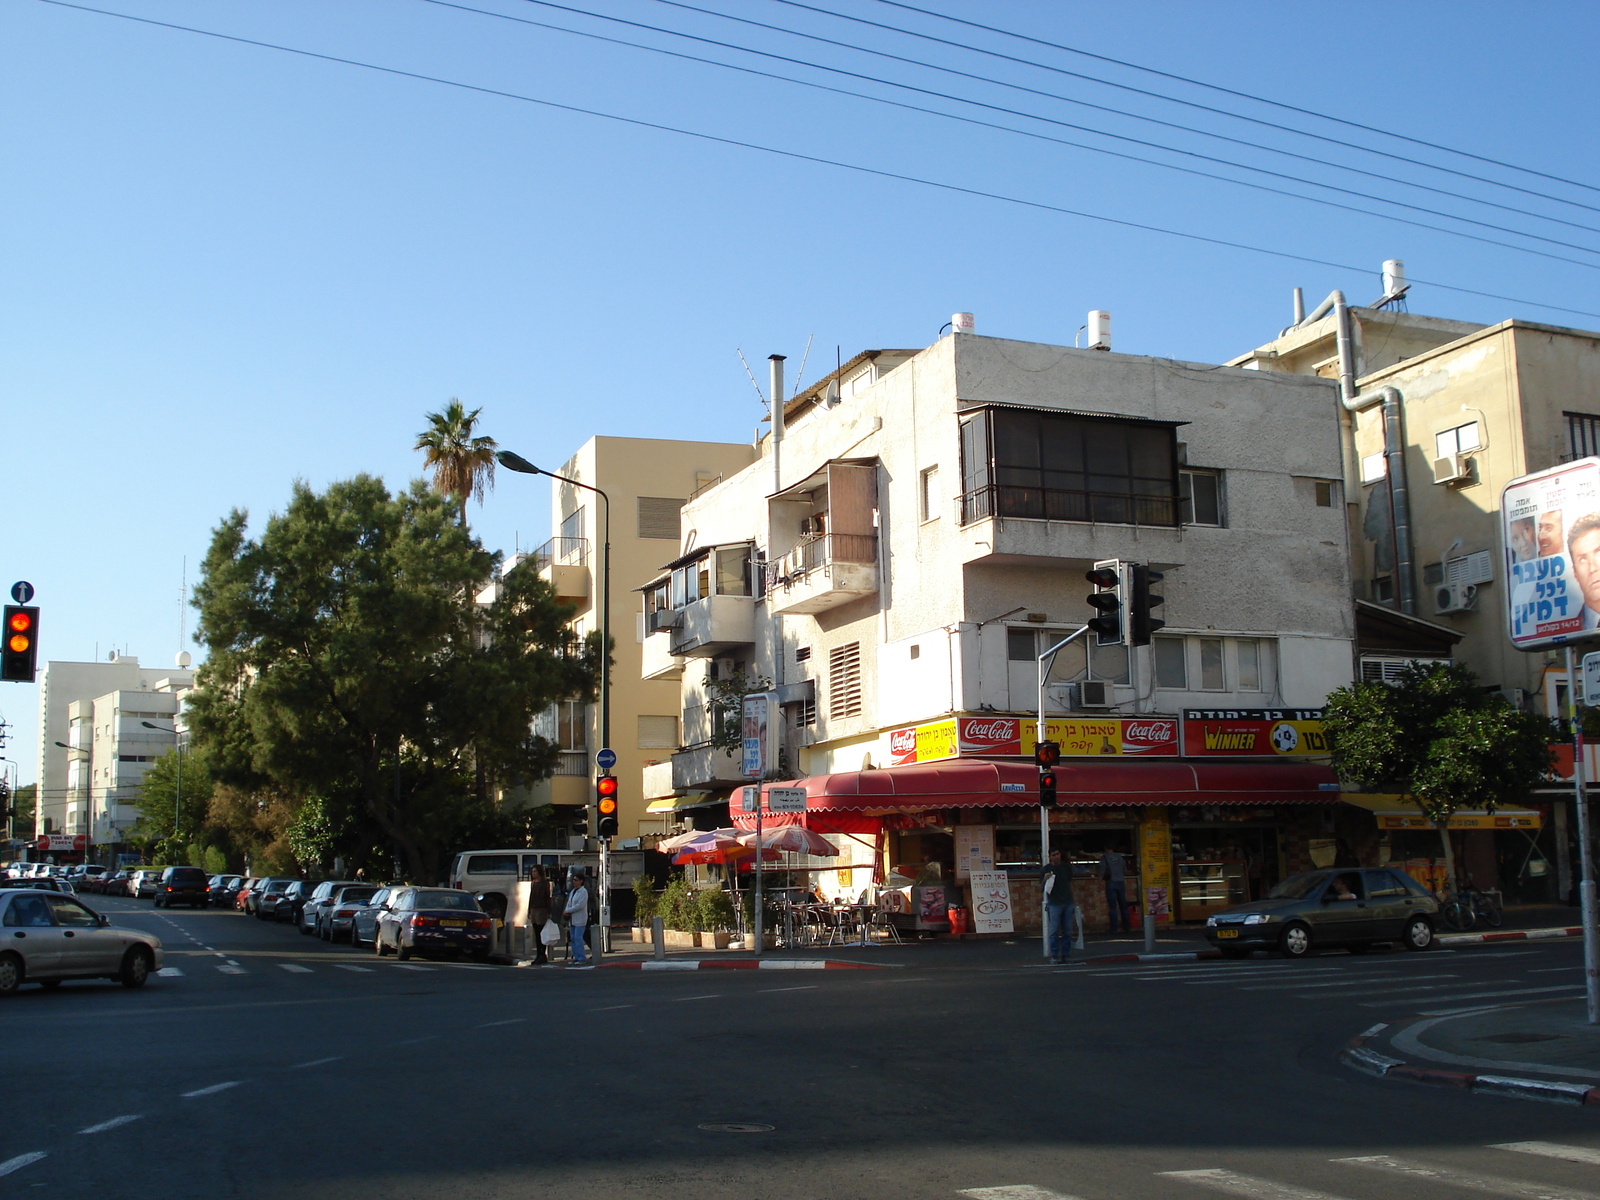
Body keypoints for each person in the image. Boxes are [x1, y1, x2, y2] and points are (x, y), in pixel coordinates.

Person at [1042, 848, 1077, 965]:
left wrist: (1073, 901)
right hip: (1054, 903)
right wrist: (1044, 879)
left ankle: (1066, 955)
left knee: (1067, 931)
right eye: (1054, 855)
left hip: (1067, 902)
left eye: (1058, 854)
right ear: (1050, 857)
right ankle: (1054, 955)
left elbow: (1070, 883)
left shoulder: (1066, 867)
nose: (1056, 857)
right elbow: (1041, 889)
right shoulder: (1046, 869)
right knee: (1054, 931)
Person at [1567, 512, 1600, 629]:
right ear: (1575, 572)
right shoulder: (1568, 631)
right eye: (1583, 559)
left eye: (1598, 553)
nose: (1592, 568)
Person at [564, 869, 591, 967]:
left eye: (576, 880)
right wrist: (567, 911)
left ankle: (581, 957)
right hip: (572, 919)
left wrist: (569, 911)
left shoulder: (583, 892)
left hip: (580, 919)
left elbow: (580, 905)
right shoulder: (573, 891)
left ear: (581, 881)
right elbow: (569, 902)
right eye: (573, 880)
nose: (574, 882)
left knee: (578, 937)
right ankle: (575, 956)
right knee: (573, 938)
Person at [527, 864, 552, 967]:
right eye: (532, 872)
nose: (533, 874)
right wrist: (529, 910)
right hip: (534, 909)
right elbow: (531, 897)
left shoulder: (545, 883)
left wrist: (549, 912)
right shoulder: (533, 883)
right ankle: (538, 954)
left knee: (542, 932)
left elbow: (547, 898)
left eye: (535, 872)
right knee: (536, 933)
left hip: (542, 909)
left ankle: (542, 954)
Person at [1099, 847, 1127, 935]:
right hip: (1121, 882)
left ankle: (1114, 929)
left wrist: (1099, 883)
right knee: (1123, 906)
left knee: (1112, 907)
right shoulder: (1120, 857)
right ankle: (1127, 927)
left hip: (1111, 882)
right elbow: (1125, 870)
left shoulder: (1104, 858)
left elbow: (1102, 871)